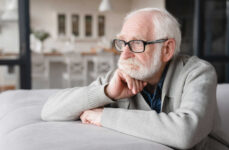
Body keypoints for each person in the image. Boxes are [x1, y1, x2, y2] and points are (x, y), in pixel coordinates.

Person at [41, 8, 218, 149]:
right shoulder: (120, 76)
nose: (124, 54)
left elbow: (185, 133)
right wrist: (107, 92)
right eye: (122, 43)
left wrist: (104, 116)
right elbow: (49, 111)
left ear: (166, 50)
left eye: (136, 43)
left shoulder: (198, 72)